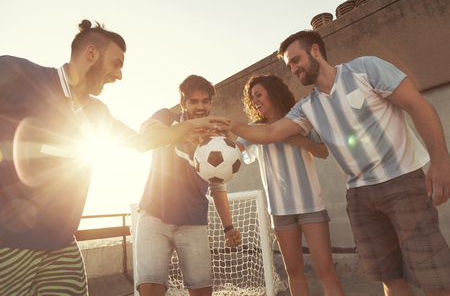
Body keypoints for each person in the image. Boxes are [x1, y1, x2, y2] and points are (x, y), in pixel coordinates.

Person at [0, 20, 226, 296]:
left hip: (61, 244)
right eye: (116, 63)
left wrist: (187, 129)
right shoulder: (19, 74)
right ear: (91, 54)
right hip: (9, 241)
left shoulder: (97, 112)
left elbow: (141, 141)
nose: (119, 75)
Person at [227, 30, 450, 295]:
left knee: (433, 275)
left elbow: (418, 105)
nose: (294, 68)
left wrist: (440, 161)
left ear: (315, 50)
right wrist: (227, 125)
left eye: (296, 60)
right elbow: (271, 133)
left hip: (402, 181)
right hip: (359, 197)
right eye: (289, 65)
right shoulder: (307, 107)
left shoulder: (365, 68)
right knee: (388, 276)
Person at [234, 74, 345, 296]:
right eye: (252, 97)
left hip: (310, 205)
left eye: (259, 94)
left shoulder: (299, 118)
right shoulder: (255, 128)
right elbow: (233, 148)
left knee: (326, 271)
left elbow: (323, 152)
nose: (255, 100)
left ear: (273, 93)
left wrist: (302, 141)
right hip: (280, 211)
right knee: (293, 272)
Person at [135, 74, 242, 296]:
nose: (200, 106)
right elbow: (146, 132)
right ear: (183, 103)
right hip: (154, 215)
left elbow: (217, 186)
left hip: (193, 220)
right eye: (194, 101)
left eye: (205, 101)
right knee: (150, 287)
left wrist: (228, 227)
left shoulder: (216, 139)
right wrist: (187, 133)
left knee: (201, 290)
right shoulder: (167, 118)